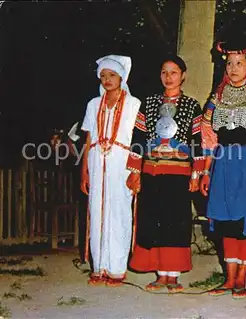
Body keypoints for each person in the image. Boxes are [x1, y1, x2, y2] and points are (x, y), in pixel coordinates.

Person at [199, 35, 246, 299]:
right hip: (222, 165)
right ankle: (228, 278)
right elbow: (208, 136)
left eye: (239, 63)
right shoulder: (216, 98)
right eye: (229, 63)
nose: (233, 68)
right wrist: (206, 171)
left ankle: (242, 280)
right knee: (224, 220)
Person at [128, 55, 204, 293]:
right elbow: (138, 138)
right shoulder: (148, 104)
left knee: (176, 222)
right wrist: (134, 171)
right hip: (152, 171)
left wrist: (196, 175)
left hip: (178, 173)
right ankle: (161, 274)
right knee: (154, 221)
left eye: (173, 72)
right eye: (164, 72)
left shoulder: (192, 106)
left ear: (183, 75)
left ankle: (174, 275)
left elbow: (198, 142)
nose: (168, 77)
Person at [80, 54, 142, 287]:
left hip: (121, 162)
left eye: (112, 75)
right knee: (97, 212)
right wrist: (84, 171)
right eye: (103, 76)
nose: (107, 79)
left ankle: (117, 268)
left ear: (121, 77)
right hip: (97, 162)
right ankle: (99, 267)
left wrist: (136, 170)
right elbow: (88, 138)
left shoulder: (134, 104)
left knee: (118, 212)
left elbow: (139, 138)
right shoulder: (93, 104)